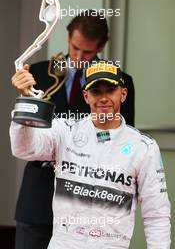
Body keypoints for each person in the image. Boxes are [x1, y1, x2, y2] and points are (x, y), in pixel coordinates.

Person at [10, 61, 171, 249]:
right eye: (96, 91)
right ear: (86, 96)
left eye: (110, 90)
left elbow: (156, 214)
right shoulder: (65, 131)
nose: (103, 98)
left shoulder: (143, 147)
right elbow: (23, 149)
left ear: (123, 94)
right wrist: (26, 100)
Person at [11, 10, 135, 249]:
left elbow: (122, 139)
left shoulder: (119, 82)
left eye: (87, 52)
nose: (78, 56)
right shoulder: (35, 73)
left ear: (101, 46)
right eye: (74, 47)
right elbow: (25, 136)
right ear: (68, 38)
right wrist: (24, 101)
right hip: (38, 197)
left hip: (87, 200)